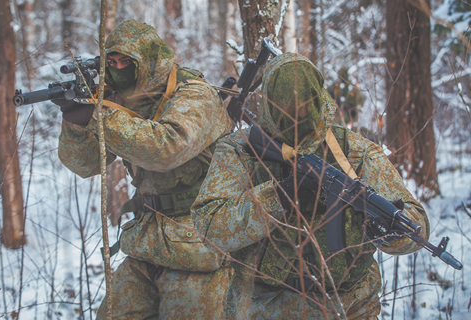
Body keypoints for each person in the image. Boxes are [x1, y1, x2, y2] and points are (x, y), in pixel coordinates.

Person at [191, 53, 430, 319]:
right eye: (285, 109)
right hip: (263, 306)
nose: (296, 116)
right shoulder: (240, 150)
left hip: (348, 306)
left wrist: (391, 232)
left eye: (304, 106)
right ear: (269, 102)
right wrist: (279, 197)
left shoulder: (356, 152)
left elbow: (416, 224)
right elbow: (209, 227)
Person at [56, 19, 233, 319]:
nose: (119, 69)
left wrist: (101, 117)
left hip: (200, 246)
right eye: (112, 62)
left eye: (127, 62)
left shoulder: (195, 95)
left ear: (150, 61)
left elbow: (166, 148)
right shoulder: (121, 101)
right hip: (146, 243)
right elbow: (84, 165)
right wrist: (76, 122)